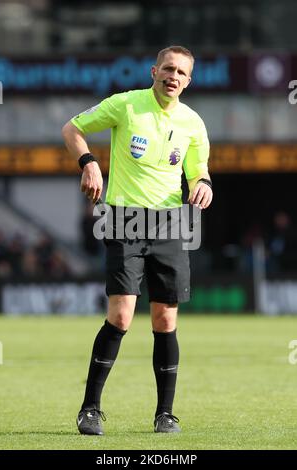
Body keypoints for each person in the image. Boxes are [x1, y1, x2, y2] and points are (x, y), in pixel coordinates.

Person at [62, 45, 213, 435]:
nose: (173, 76)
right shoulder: (126, 105)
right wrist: (89, 162)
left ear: (188, 80)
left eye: (181, 72)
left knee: (165, 319)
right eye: (167, 69)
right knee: (122, 315)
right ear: (153, 71)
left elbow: (199, 171)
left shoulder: (193, 123)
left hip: (170, 225)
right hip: (124, 219)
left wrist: (203, 186)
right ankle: (90, 409)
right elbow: (72, 128)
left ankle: (166, 414)